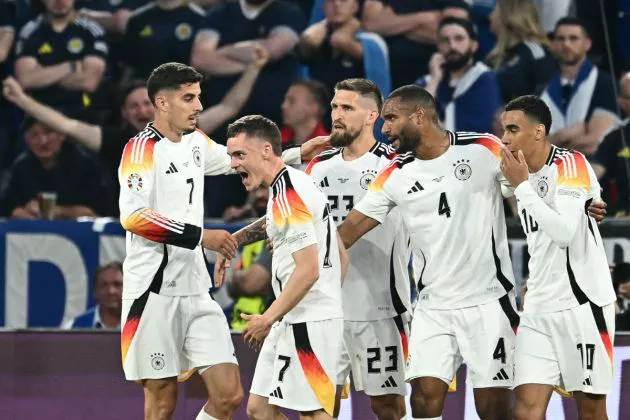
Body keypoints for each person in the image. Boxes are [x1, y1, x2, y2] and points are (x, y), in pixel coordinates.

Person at [117, 62, 323, 420]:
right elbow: (133, 218)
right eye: (189, 98)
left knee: (229, 395)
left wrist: (300, 152)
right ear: (162, 103)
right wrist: (200, 236)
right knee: (162, 402)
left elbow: (239, 161)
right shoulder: (140, 151)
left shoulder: (196, 142)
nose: (198, 106)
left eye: (199, 97)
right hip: (152, 291)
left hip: (195, 290)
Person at [337, 84, 519, 419]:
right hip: (433, 305)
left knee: (492, 408)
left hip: (488, 302)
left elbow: (526, 189)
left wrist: (577, 205)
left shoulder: (483, 149)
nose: (384, 128)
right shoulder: (395, 173)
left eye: (391, 118)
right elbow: (347, 231)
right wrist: (304, 246)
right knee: (423, 397)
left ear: (419, 116)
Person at [219, 114, 348, 420]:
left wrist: (267, 317)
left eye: (240, 155)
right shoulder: (288, 187)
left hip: (308, 322)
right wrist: (235, 241)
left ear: (266, 150)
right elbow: (342, 258)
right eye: (231, 156)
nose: (234, 164)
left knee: (314, 414)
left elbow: (309, 270)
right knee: (259, 409)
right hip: (293, 318)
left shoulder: (289, 193)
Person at [499, 95, 617, 420]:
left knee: (591, 411)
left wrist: (522, 187)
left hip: (583, 305)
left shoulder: (572, 164)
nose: (504, 137)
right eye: (502, 129)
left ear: (538, 132)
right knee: (524, 411)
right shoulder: (512, 171)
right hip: (538, 308)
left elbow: (564, 232)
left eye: (512, 129)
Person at [305, 78, 411, 419]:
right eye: (335, 106)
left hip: (380, 308)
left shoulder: (396, 166)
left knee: (388, 406)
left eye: (347, 108)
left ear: (372, 116)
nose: (337, 114)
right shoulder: (316, 166)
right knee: (320, 406)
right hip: (326, 308)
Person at [66, 262, 123, 329]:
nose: (111, 291)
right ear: (95, 292)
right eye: (104, 285)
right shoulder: (72, 328)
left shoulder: (138, 327)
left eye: (117, 284)